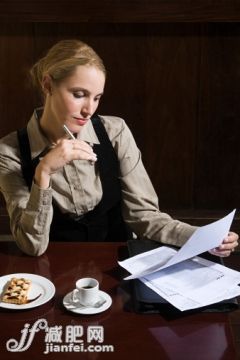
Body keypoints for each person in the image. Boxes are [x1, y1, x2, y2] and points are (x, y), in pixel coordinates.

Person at [0, 39, 238, 256]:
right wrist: (44, 172)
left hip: (119, 265)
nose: (88, 109)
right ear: (48, 85)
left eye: (97, 97)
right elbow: (32, 247)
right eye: (79, 94)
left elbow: (144, 217)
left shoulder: (115, 132)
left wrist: (202, 237)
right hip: (51, 270)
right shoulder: (10, 152)